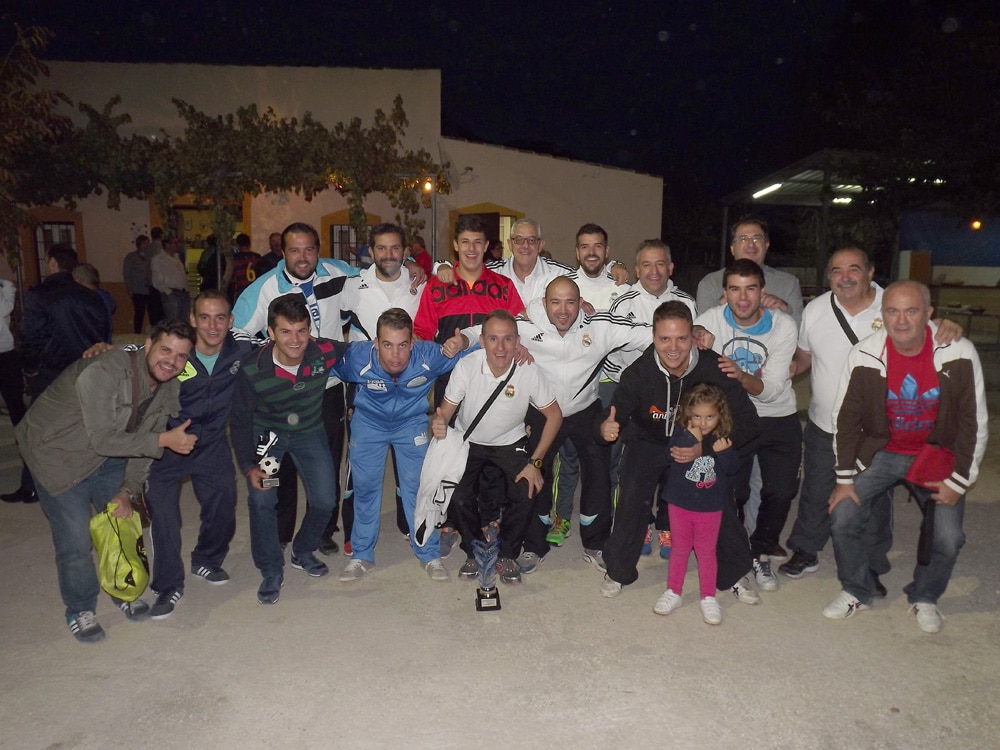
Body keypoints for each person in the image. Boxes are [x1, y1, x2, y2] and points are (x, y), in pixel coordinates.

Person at [782, 249, 964, 587]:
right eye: (837, 270)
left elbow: (930, 332)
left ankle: (871, 564)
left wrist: (947, 325)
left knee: (875, 497)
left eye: (854, 269)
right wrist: (791, 368)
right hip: (825, 423)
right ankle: (806, 550)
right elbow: (806, 355)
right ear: (829, 276)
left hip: (880, 430)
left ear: (871, 272)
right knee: (817, 487)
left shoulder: (893, 303)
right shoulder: (816, 309)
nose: (845, 276)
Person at [15, 321, 198, 643]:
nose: (171, 361)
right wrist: (162, 440)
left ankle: (124, 590)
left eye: (182, 356)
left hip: (107, 456)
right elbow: (104, 439)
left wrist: (127, 491)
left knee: (122, 525)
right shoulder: (103, 372)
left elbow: (144, 448)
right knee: (75, 540)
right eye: (165, 349)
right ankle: (80, 608)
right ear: (147, 344)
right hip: (57, 456)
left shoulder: (170, 387)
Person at [823, 281, 988, 633]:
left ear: (929, 313)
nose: (901, 320)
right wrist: (843, 480)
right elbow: (847, 418)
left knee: (948, 536)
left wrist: (960, 481)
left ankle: (925, 596)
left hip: (935, 455)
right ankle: (856, 589)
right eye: (892, 311)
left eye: (911, 311)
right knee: (843, 516)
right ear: (881, 315)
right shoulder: (865, 353)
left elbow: (973, 422)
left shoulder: (958, 351)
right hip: (881, 452)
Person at [597, 301, 761, 605]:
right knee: (632, 493)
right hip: (649, 442)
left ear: (692, 336)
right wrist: (608, 425)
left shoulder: (715, 367)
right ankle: (618, 570)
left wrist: (707, 447)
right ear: (654, 338)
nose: (673, 347)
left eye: (682, 338)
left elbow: (750, 423)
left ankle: (736, 573)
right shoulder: (639, 372)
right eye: (664, 339)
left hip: (699, 444)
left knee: (717, 498)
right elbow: (615, 413)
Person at [513, 276, 651, 576]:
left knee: (599, 476)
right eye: (556, 302)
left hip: (585, 412)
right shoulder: (525, 326)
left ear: (580, 303)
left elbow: (650, 334)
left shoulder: (598, 326)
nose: (563, 310)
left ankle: (595, 542)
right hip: (543, 412)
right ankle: (534, 545)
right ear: (544, 304)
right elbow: (485, 331)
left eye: (571, 302)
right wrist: (465, 340)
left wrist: (692, 333)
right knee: (535, 476)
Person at [413, 214, 525, 563]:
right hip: (452, 382)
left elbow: (520, 324)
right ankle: (449, 521)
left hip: (495, 381)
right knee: (453, 451)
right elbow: (421, 333)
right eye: (466, 242)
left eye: (479, 242)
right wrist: (441, 350)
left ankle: (488, 517)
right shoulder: (438, 286)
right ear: (456, 246)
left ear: (487, 246)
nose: (473, 249)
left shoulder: (503, 286)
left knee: (488, 450)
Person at [332, 309, 473, 582]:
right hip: (368, 424)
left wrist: (471, 342)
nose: (395, 354)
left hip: (410, 424)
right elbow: (319, 364)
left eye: (402, 345)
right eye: (387, 345)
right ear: (376, 343)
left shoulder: (429, 356)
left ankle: (429, 554)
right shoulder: (359, 357)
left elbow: (482, 349)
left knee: (419, 489)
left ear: (413, 342)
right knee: (366, 488)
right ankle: (361, 555)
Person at [230, 295, 349, 605]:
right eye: (285, 331)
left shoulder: (323, 350)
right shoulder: (253, 368)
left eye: (301, 331)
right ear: (270, 333)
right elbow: (241, 422)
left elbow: (362, 351)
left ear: (310, 330)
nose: (295, 340)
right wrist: (249, 466)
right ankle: (271, 569)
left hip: (309, 432)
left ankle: (302, 550)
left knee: (325, 500)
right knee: (263, 499)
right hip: (269, 439)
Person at [433, 310, 563, 585]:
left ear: (518, 342)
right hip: (470, 442)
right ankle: (474, 549)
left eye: (507, 340)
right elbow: (445, 412)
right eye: (493, 339)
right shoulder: (467, 366)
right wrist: (439, 423)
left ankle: (506, 553)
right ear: (482, 341)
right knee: (458, 493)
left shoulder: (528, 370)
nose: (500, 347)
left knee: (528, 488)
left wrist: (535, 462)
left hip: (510, 442)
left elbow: (555, 415)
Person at [143, 290, 252, 618]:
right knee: (164, 516)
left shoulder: (242, 349)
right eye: (204, 317)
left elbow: (285, 344)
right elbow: (136, 354)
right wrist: (102, 348)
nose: (213, 325)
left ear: (231, 321)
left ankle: (206, 559)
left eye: (220, 317)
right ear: (192, 320)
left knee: (224, 502)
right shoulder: (178, 352)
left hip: (213, 443)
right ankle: (167, 586)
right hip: (167, 446)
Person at [693, 258, 800, 593]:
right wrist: (695, 336)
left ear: (762, 292)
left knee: (781, 491)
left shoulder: (783, 326)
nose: (743, 298)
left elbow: (769, 391)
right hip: (732, 417)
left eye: (750, 289)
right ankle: (735, 555)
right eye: (735, 289)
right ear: (724, 293)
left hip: (776, 415)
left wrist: (739, 375)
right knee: (730, 491)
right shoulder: (710, 320)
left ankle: (761, 551)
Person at [594, 239, 697, 556]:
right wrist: (657, 339)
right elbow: (612, 338)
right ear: (637, 269)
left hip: (673, 394)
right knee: (626, 466)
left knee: (670, 465)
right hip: (627, 389)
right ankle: (632, 524)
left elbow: (691, 348)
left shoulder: (687, 302)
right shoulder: (622, 299)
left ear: (671, 267)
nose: (654, 271)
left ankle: (665, 527)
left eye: (660, 263)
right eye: (647, 265)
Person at [340, 223, 426, 551]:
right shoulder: (352, 286)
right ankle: (352, 530)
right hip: (366, 386)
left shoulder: (421, 282)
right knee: (359, 461)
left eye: (395, 249)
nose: (388, 255)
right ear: (371, 252)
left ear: (406, 252)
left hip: (409, 385)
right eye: (381, 248)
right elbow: (333, 320)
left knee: (408, 458)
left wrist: (440, 266)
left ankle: (408, 521)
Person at [7, 244, 112, 505]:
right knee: (84, 429)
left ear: (52, 262)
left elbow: (29, 336)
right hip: (88, 372)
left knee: (37, 433)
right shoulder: (93, 296)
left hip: (51, 374)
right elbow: (102, 333)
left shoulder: (40, 294)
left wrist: (30, 369)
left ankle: (33, 486)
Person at [651, 384, 737, 625]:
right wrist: (692, 439)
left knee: (706, 552)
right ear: (688, 415)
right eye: (697, 416)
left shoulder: (722, 439)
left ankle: (708, 596)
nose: (703, 422)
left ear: (720, 415)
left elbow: (733, 468)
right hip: (680, 504)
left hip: (710, 508)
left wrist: (725, 452)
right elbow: (671, 455)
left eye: (710, 416)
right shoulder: (682, 433)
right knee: (679, 548)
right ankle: (674, 591)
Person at [696, 215, 803, 326]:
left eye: (757, 238)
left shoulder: (788, 283)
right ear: (732, 248)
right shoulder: (710, 283)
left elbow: (798, 332)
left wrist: (785, 309)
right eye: (743, 239)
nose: (751, 244)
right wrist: (725, 302)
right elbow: (701, 331)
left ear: (766, 245)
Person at [0, 269, 28, 500]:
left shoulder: (6, 287)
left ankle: (29, 459)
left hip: (6, 355)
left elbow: (4, 310)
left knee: (17, 408)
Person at [153, 235, 191, 322]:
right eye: (175, 243)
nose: (178, 245)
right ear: (167, 245)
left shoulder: (177, 257)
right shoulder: (158, 259)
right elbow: (157, 281)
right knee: (173, 322)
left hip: (184, 293)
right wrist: (169, 293)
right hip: (172, 294)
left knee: (184, 322)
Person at [123, 234, 155, 333]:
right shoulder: (131, 257)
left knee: (153, 313)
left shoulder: (151, 257)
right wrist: (129, 289)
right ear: (139, 244)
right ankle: (137, 333)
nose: (147, 246)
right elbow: (126, 273)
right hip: (138, 290)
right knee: (139, 313)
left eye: (148, 243)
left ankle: (153, 333)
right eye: (145, 243)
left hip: (149, 290)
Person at [228, 232, 260, 303]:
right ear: (249, 244)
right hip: (255, 291)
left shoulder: (234, 258)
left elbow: (231, 277)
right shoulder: (257, 257)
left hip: (240, 291)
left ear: (238, 245)